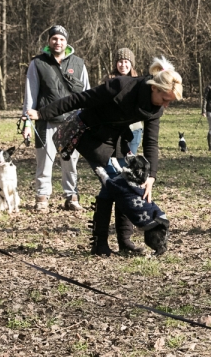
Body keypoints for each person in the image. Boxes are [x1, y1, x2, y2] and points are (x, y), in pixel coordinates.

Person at [26, 57, 182, 256]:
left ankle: (123, 242)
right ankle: (100, 243)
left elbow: (151, 141)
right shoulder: (120, 86)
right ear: (154, 88)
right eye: (165, 100)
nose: (166, 106)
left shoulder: (155, 109)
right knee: (116, 183)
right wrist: (43, 113)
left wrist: (151, 176)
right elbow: (79, 99)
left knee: (124, 182)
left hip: (116, 138)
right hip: (89, 133)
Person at [22, 25, 89, 212]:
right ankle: (42, 197)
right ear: (49, 41)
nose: (57, 42)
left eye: (61, 39)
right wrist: (27, 123)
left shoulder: (78, 63)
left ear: (66, 42)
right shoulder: (37, 63)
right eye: (54, 39)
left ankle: (72, 197)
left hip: (73, 122)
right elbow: (30, 95)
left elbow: (87, 95)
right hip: (45, 122)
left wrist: (88, 119)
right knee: (44, 163)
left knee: (70, 163)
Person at [104, 48, 142, 155]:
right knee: (116, 162)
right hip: (114, 129)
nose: (123, 65)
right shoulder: (108, 82)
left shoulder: (139, 82)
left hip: (135, 128)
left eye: (126, 61)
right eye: (120, 61)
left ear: (131, 64)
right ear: (116, 63)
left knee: (130, 161)